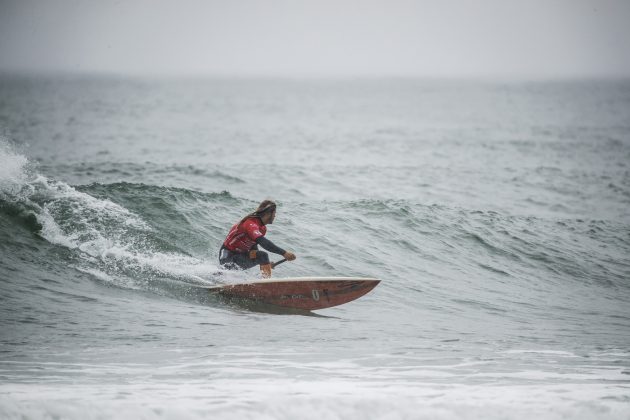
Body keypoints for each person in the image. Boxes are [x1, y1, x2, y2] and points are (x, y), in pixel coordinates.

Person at [219, 200, 296, 278]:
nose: (275, 216)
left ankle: (265, 281)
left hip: (240, 256)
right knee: (263, 255)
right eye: (274, 213)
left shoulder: (262, 229)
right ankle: (218, 275)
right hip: (227, 258)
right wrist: (284, 253)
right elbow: (263, 242)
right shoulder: (250, 223)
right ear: (268, 213)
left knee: (262, 256)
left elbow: (253, 249)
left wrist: (266, 263)